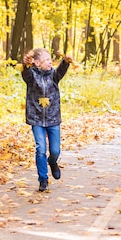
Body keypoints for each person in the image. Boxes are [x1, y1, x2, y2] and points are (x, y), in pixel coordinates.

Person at [22, 48, 72, 192]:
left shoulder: (54, 75)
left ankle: (53, 161)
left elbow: (61, 70)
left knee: (55, 150)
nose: (50, 62)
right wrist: (26, 64)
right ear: (37, 63)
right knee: (41, 149)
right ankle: (43, 179)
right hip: (36, 119)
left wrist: (66, 62)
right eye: (46, 60)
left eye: (51, 59)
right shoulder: (31, 76)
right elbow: (26, 72)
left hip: (53, 118)